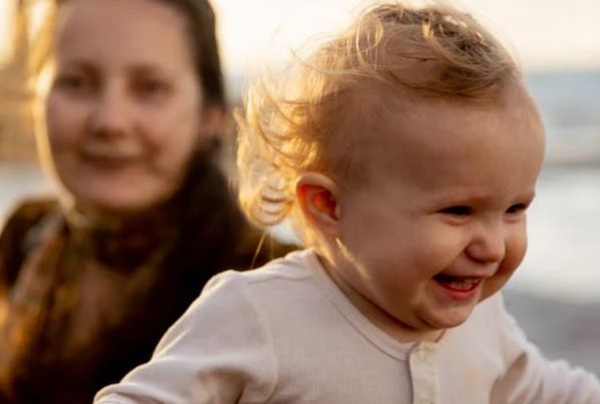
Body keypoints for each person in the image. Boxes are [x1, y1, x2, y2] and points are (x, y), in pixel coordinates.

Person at [95, 1, 600, 403]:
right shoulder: (258, 315)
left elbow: (548, 392)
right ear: (328, 206)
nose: (492, 245)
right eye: (458, 211)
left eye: (515, 209)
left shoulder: (483, 324)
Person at [0, 0, 293, 402]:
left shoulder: (275, 285)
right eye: (76, 82)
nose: (110, 121)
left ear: (210, 115)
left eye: (149, 87)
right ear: (36, 96)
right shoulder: (25, 237)